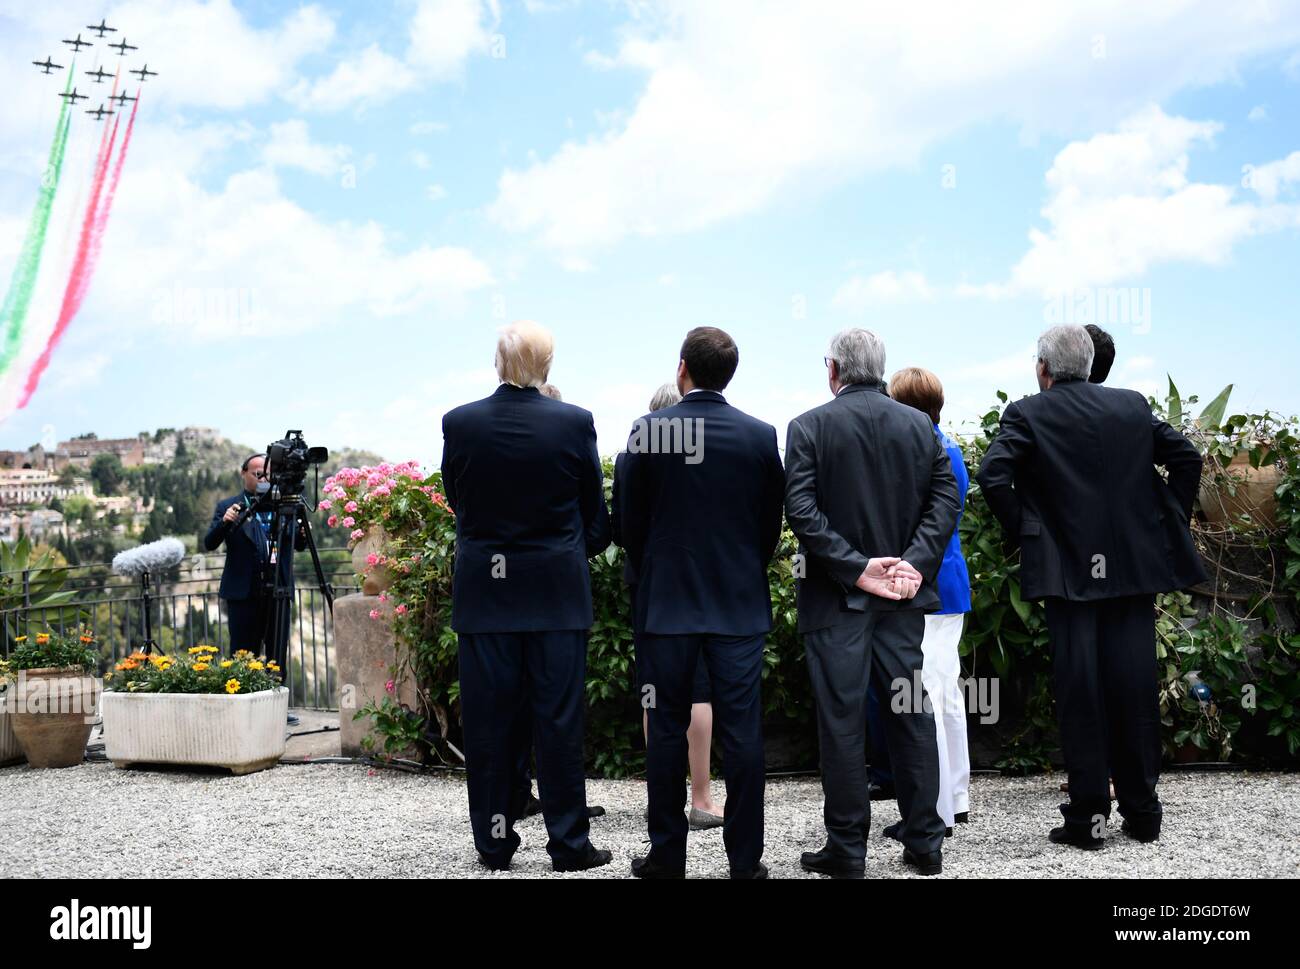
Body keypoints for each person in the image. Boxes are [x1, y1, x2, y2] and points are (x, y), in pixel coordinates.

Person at [976, 324, 1205, 848]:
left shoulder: (1028, 412)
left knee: (1082, 696)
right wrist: (1169, 521)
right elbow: (1187, 458)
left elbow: (993, 476)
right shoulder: (1130, 405)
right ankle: (1144, 815)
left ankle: (1089, 822)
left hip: (1069, 577)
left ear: (1044, 368)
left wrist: (1030, 533)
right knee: (1134, 690)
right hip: (1132, 573)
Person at [784, 328, 960, 878]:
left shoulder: (807, 427)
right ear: (880, 369)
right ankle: (925, 843)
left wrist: (857, 569)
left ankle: (848, 850)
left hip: (837, 601)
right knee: (911, 715)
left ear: (833, 368)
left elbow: (801, 510)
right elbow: (946, 496)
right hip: (903, 600)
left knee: (841, 724)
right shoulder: (919, 426)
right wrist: (911, 561)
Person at [441, 319, 613, 872]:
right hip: (556, 596)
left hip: (485, 602)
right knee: (559, 721)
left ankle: (493, 845)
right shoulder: (574, 422)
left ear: (497, 363)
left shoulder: (460, 423)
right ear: (548, 367)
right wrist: (562, 555)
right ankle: (568, 844)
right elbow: (595, 516)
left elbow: (457, 500)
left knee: (489, 725)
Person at [620, 327, 785, 879]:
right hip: (737, 605)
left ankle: (668, 856)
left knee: (664, 730)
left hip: (666, 606)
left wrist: (656, 575)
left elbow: (629, 527)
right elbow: (769, 528)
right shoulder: (759, 436)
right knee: (744, 734)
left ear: (682, 367)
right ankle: (745, 861)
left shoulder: (647, 432)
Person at [613, 381, 724, 831]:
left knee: (654, 689)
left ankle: (662, 798)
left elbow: (622, 527)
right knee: (699, 689)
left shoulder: (631, 459)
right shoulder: (710, 458)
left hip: (651, 584)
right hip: (705, 582)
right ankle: (701, 797)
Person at [886, 367, 972, 834]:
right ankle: (955, 796)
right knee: (949, 693)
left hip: (925, 588)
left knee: (927, 698)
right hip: (952, 583)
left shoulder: (922, 452)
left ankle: (935, 811)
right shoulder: (951, 448)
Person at [204, 453, 305, 725]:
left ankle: (276, 710)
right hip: (242, 594)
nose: (263, 478)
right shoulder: (230, 506)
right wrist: (225, 521)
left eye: (267, 474)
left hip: (277, 593)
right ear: (244, 474)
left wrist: (300, 524)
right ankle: (241, 711)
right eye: (257, 473)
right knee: (242, 653)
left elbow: (301, 545)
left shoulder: (284, 506)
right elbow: (209, 543)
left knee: (276, 654)